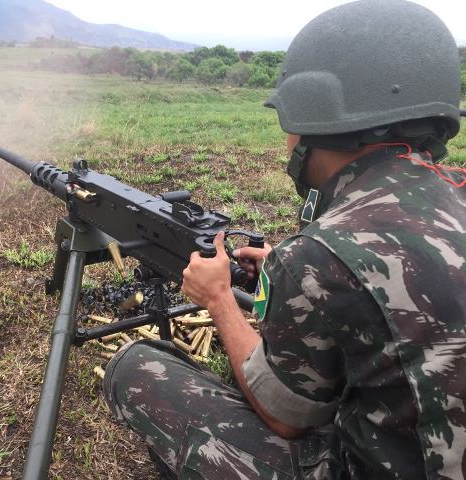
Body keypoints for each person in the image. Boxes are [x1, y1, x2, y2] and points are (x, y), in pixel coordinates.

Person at [103, 0, 466, 478]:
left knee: (137, 369)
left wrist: (218, 298)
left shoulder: (318, 256)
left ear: (316, 121)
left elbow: (285, 416)